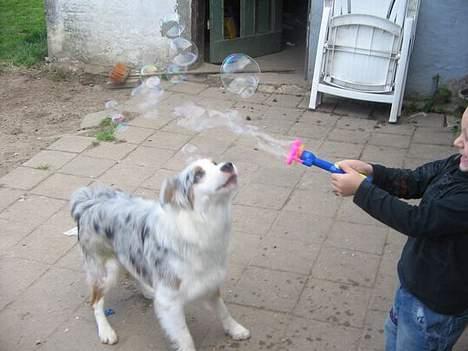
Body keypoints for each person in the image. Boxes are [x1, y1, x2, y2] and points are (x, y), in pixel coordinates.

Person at [330, 107, 468, 351]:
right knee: (394, 338)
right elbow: (415, 179)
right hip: (413, 284)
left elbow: (417, 221)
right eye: (462, 133)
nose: (456, 142)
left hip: (436, 306)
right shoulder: (456, 164)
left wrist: (362, 190)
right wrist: (372, 172)